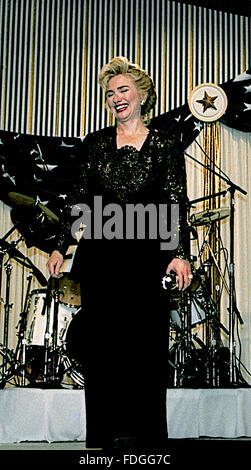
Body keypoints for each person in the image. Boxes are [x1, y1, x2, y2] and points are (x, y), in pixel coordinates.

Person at [47, 57, 192, 450]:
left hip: (147, 261)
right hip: (103, 261)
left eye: (123, 90)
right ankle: (102, 445)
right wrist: (62, 244)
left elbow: (175, 203)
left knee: (145, 355)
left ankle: (149, 446)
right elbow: (78, 201)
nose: (116, 98)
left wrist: (179, 254)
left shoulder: (164, 144)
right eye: (110, 93)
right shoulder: (94, 144)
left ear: (142, 95)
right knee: (104, 356)